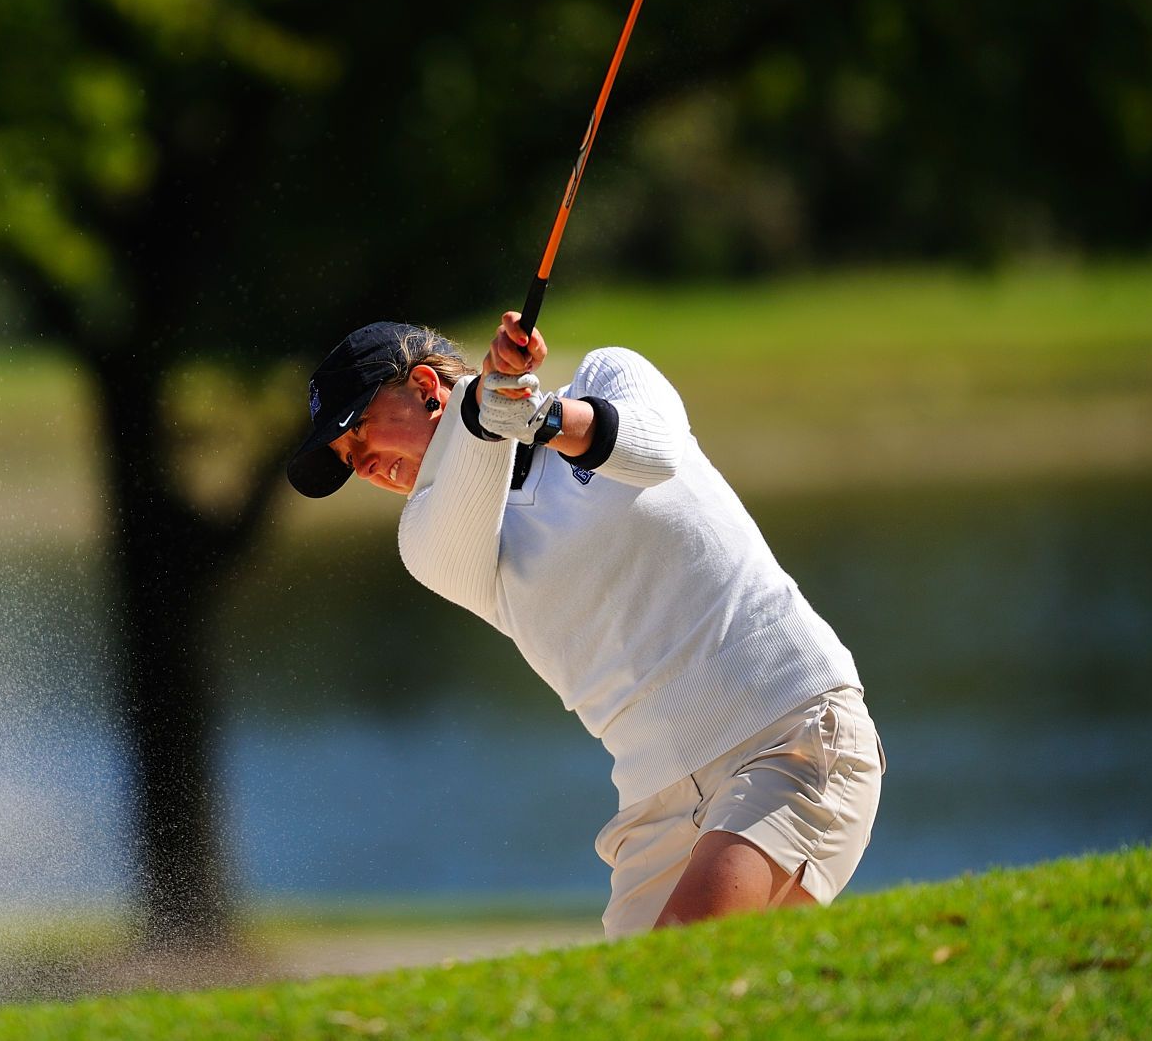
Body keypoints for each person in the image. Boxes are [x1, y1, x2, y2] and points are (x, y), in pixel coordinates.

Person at [286, 312, 885, 936]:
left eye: (357, 433)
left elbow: (655, 453)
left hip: (789, 730)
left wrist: (538, 417)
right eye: (347, 462)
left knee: (682, 972)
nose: (362, 467)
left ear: (423, 387)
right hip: (658, 805)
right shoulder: (425, 538)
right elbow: (474, 464)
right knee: (639, 996)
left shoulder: (609, 374)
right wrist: (485, 411)